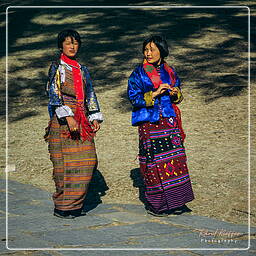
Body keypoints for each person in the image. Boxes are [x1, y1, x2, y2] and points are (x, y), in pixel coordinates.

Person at [127, 35, 194, 217]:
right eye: (146, 50)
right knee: (154, 162)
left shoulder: (170, 71)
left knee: (176, 160)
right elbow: (133, 97)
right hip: (150, 122)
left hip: (169, 121)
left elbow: (178, 93)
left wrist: (174, 92)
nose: (147, 53)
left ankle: (177, 201)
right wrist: (154, 93)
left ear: (161, 52)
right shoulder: (139, 73)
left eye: (152, 50)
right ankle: (158, 204)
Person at [44, 29, 103, 219]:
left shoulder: (82, 69)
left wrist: (94, 116)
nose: (72, 46)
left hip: (82, 119)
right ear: (61, 45)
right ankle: (64, 207)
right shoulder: (57, 67)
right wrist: (68, 117)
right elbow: (54, 94)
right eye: (68, 43)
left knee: (88, 160)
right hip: (63, 121)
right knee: (63, 165)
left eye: (76, 43)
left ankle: (75, 204)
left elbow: (90, 93)